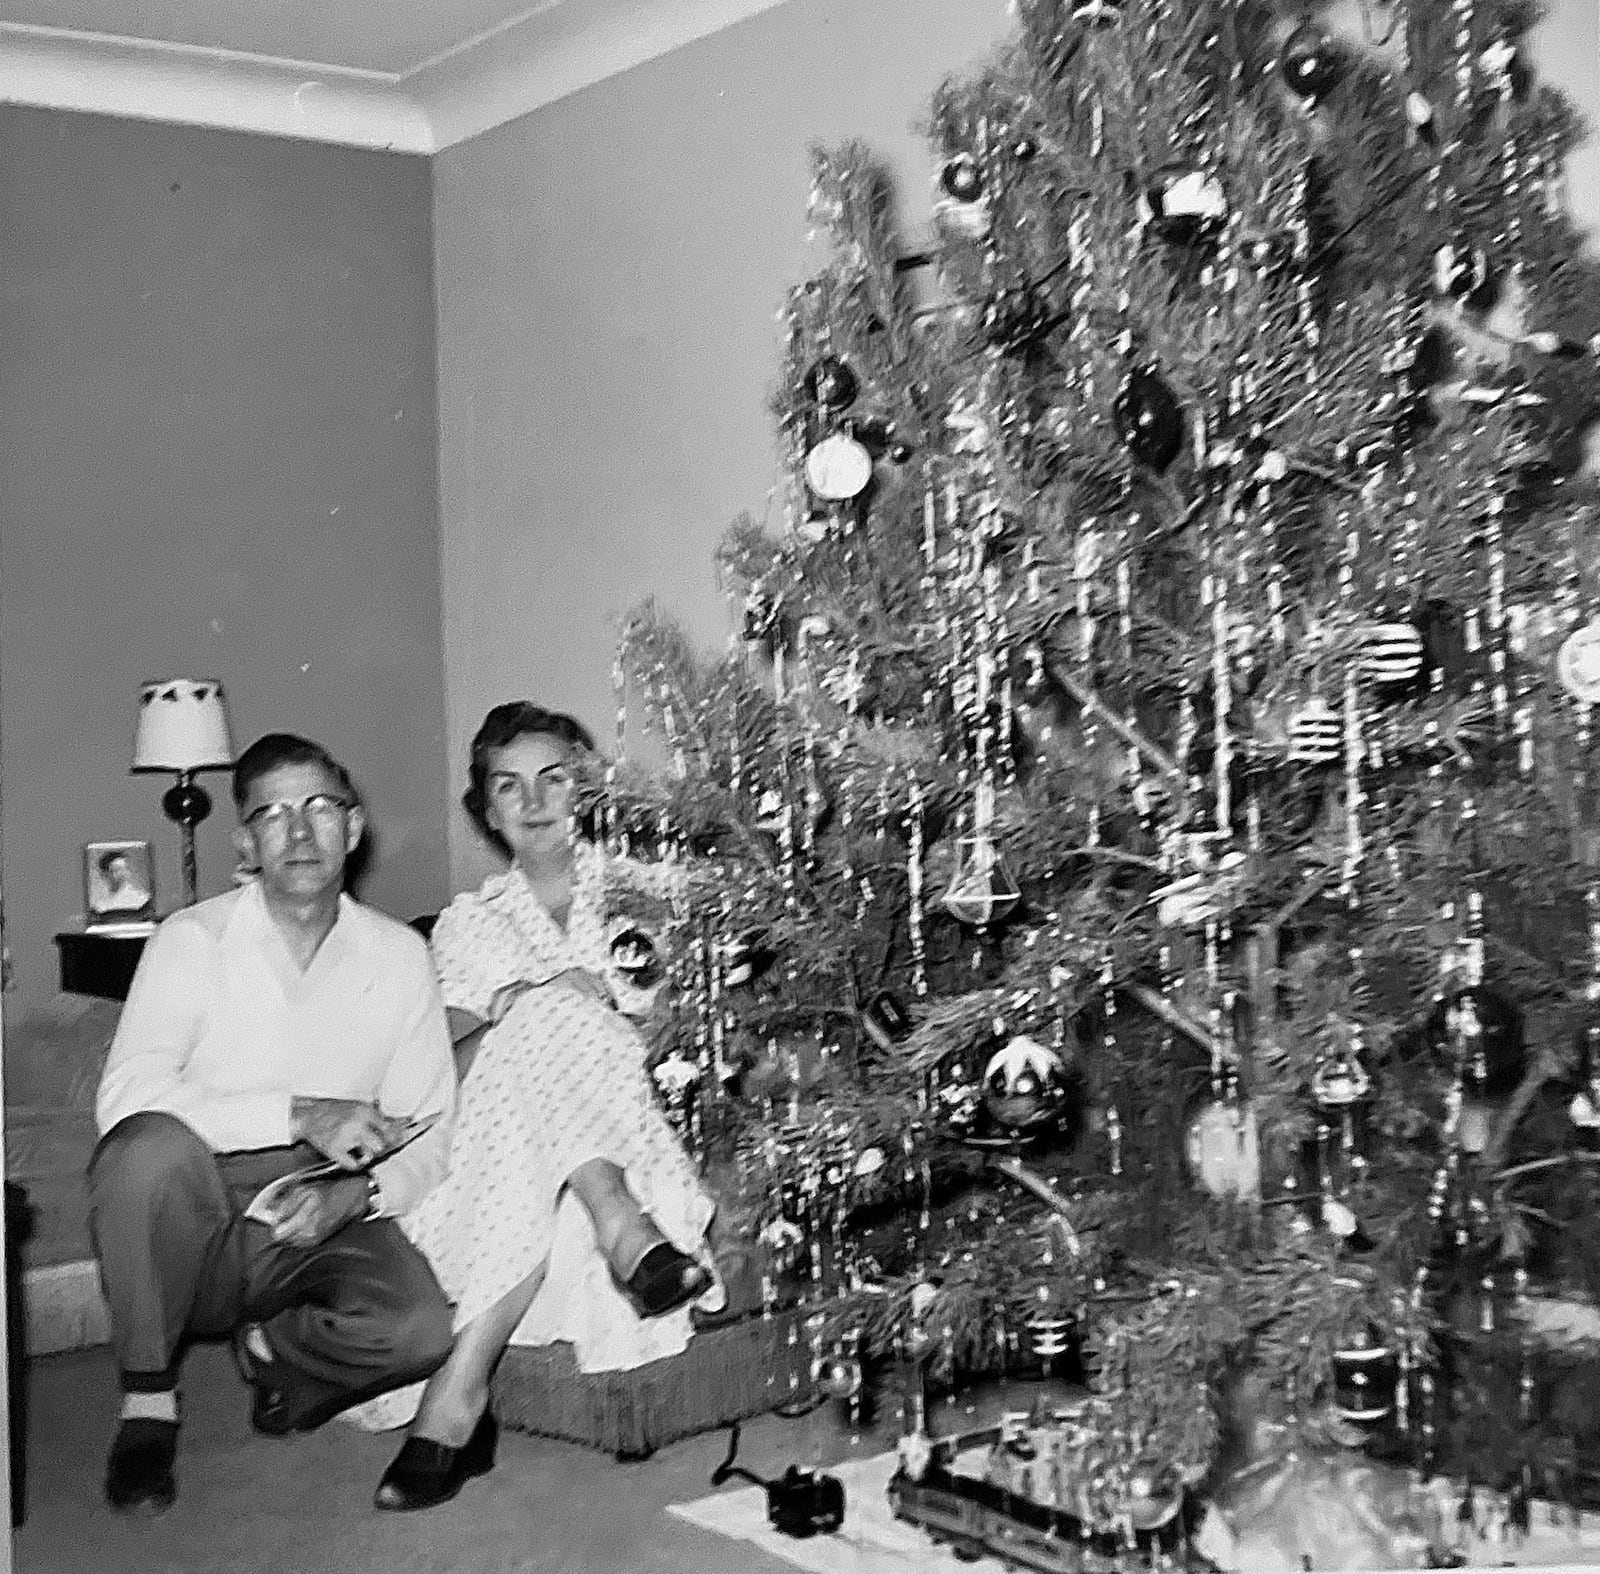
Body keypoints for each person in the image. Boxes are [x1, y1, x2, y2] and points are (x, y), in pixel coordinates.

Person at [89, 732, 458, 1515]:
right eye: (275, 814)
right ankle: (148, 1403)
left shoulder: (399, 956)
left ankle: (273, 1353)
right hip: (199, 1204)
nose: (299, 832)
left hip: (313, 1208)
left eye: (320, 809)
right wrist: (297, 1112)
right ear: (246, 841)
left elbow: (431, 1127)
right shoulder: (190, 942)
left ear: (353, 829)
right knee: (141, 1152)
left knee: (421, 1332)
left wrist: (356, 1197)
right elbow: (125, 1098)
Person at [371, 702, 716, 1512]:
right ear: (488, 811)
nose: (533, 802)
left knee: (555, 1012)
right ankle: (623, 1225)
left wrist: (587, 1014)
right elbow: (446, 1072)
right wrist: (523, 1003)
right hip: (498, 1125)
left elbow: (706, 1025)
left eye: (554, 779)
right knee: (539, 1010)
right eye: (509, 786)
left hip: (642, 1108)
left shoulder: (655, 892)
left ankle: (458, 1392)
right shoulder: (466, 926)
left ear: (589, 788)